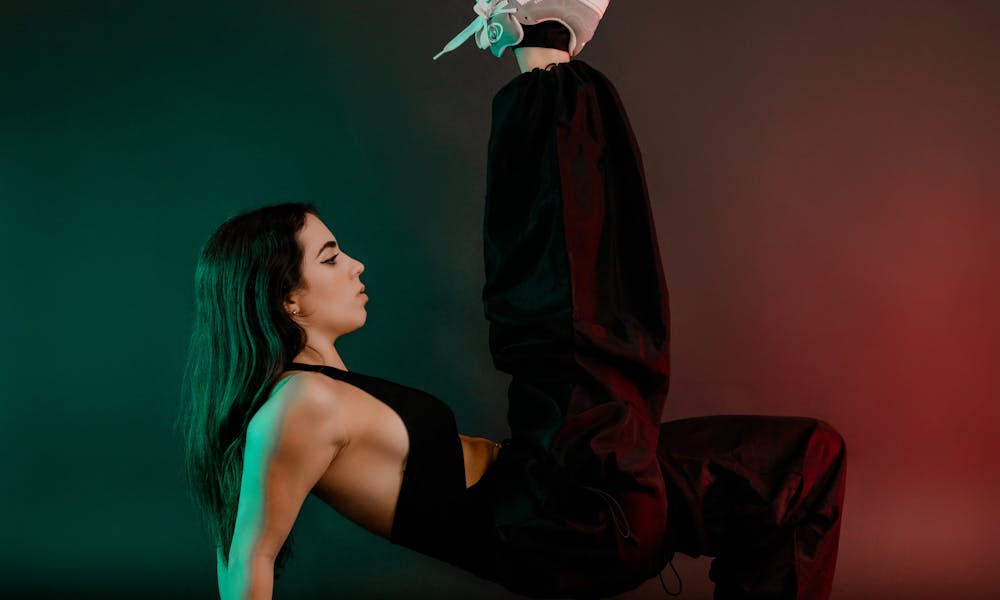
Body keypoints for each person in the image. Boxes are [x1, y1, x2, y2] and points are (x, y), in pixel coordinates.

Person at [179, 2, 847, 599]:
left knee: (801, 463)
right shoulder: (299, 406)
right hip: (563, 524)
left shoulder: (319, 390)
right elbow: (247, 557)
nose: (354, 264)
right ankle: (539, 42)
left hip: (568, 493)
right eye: (329, 258)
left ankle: (543, 44)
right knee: (573, 328)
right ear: (285, 300)